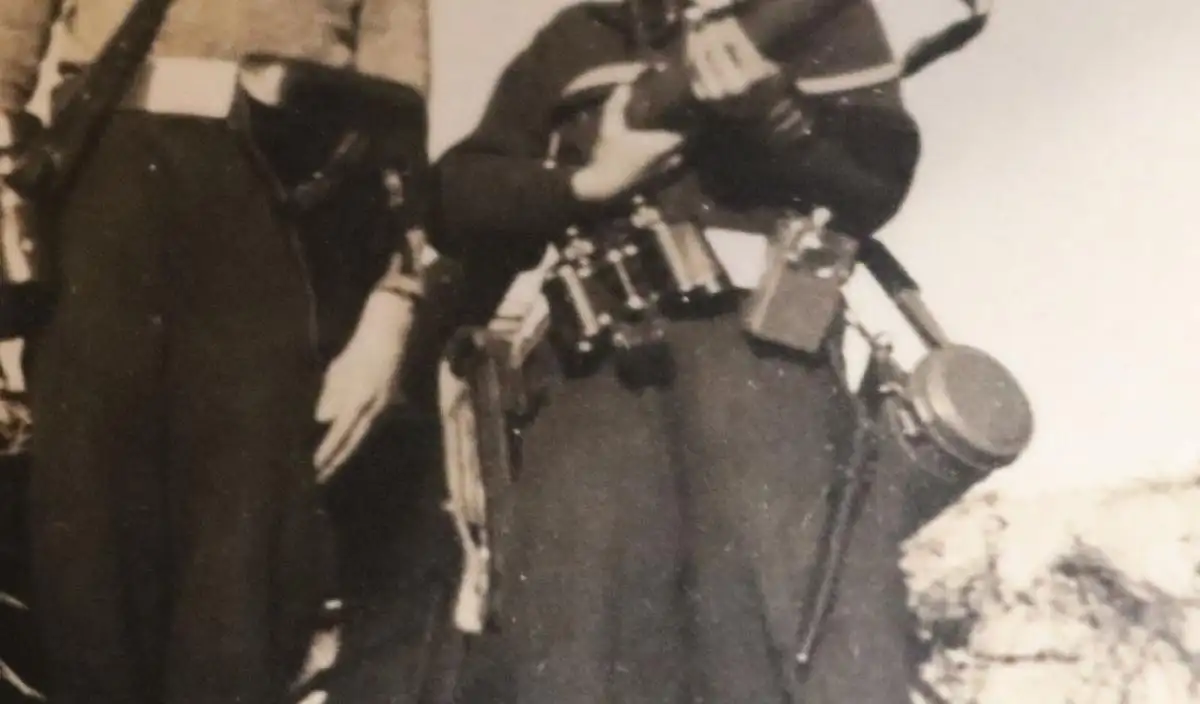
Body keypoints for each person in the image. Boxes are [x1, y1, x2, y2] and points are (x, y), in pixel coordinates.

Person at [430, 0, 923, 702]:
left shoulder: (813, 14)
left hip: (764, 369)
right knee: (579, 656)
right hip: (591, 379)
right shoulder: (575, 36)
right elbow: (458, 194)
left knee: (788, 642)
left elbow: (876, 181)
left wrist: (774, 111)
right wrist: (586, 182)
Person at [0, 1, 433, 703]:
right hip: (100, 202)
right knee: (86, 569)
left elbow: (398, 114)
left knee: (242, 580)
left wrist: (391, 300)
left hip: (283, 209)